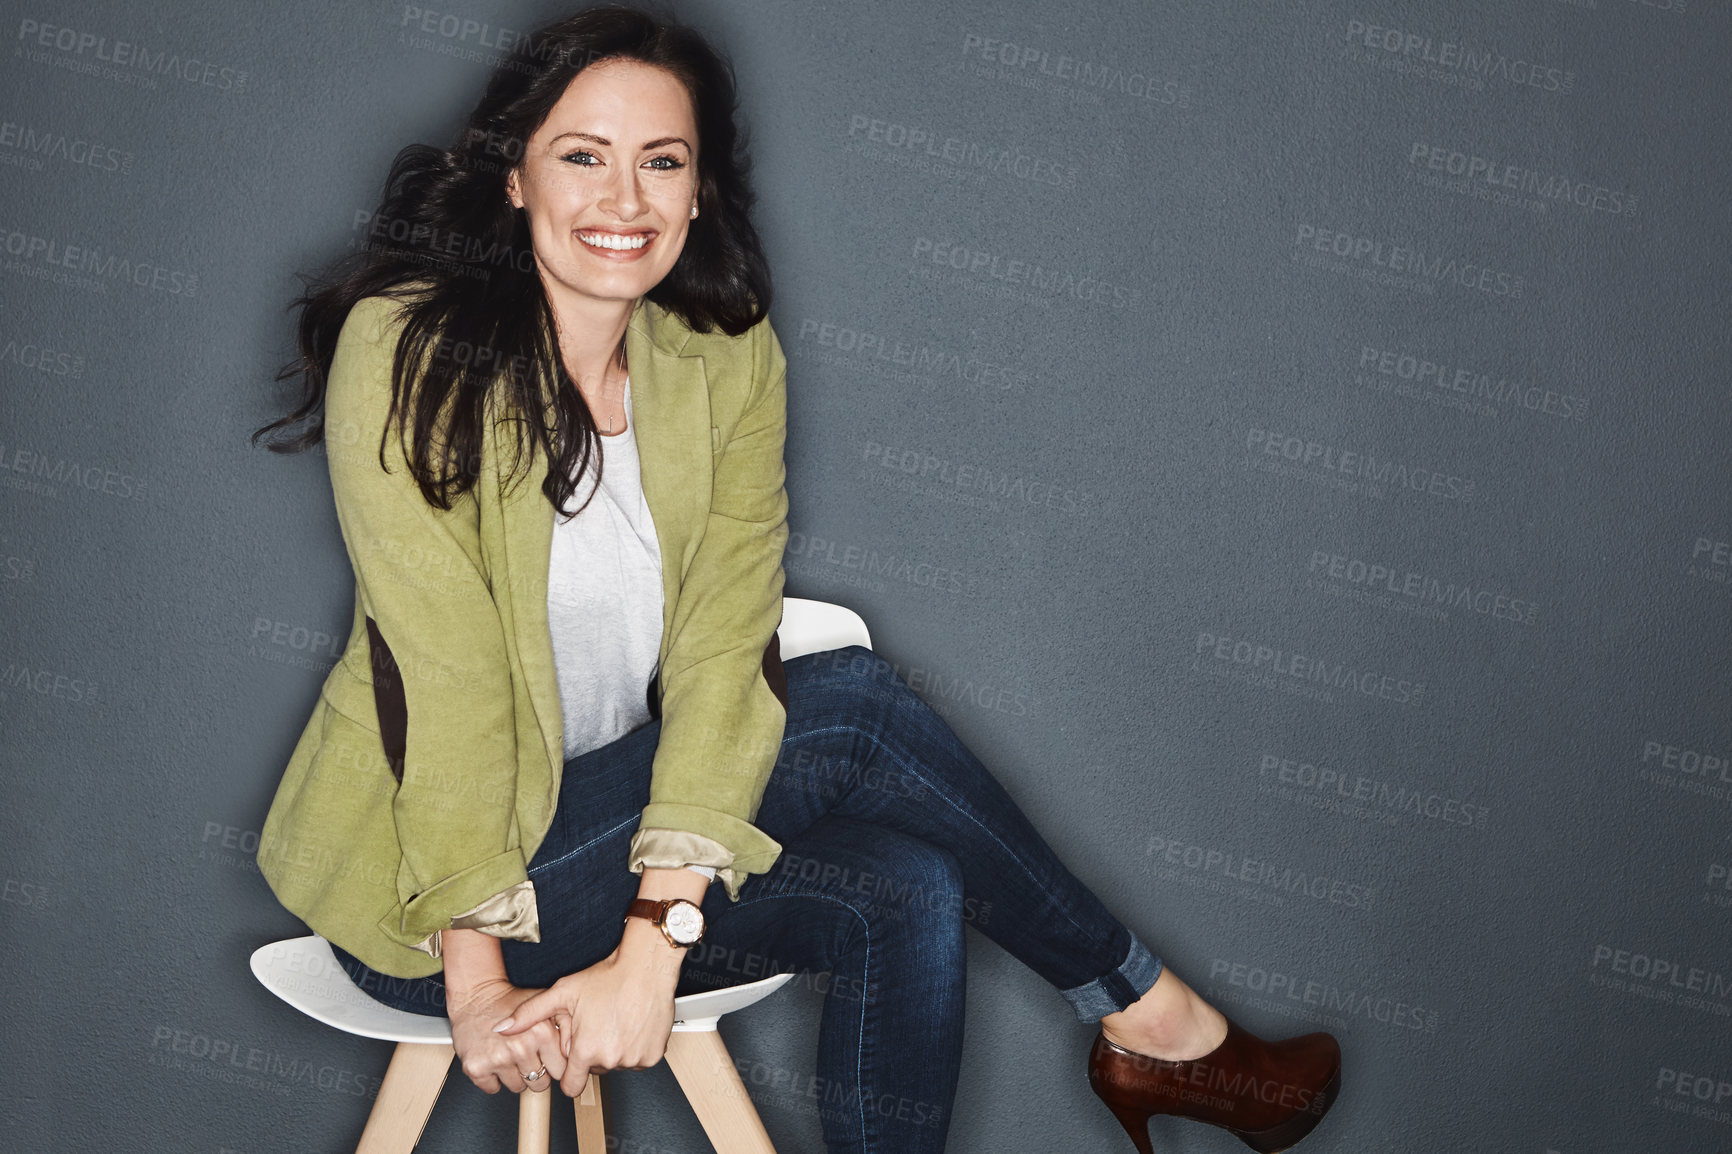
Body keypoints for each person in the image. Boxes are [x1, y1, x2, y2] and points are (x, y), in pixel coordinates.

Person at [251, 6, 1341, 1152]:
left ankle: (1156, 1031)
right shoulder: (412, 348)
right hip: (439, 903)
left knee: (908, 881)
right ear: (515, 175)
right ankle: (1158, 1023)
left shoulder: (722, 357)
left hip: (619, 858)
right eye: (582, 156)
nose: (624, 201)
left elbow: (728, 651)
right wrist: (477, 984)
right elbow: (444, 680)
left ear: (699, 191)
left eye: (660, 163)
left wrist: (648, 944)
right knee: (854, 703)